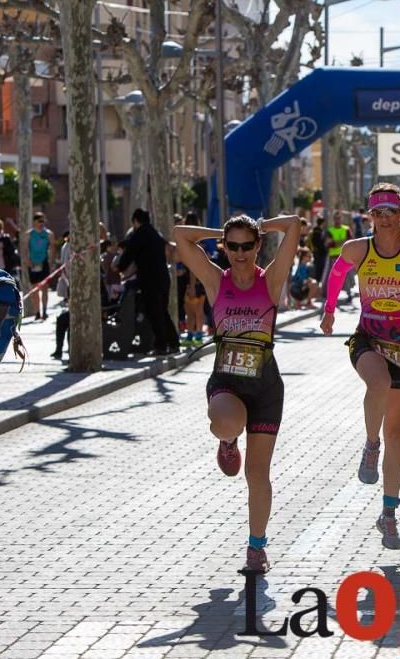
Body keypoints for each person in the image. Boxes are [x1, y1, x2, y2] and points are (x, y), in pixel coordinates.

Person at [319, 183, 400, 550]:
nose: (384, 218)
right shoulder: (358, 249)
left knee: (398, 434)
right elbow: (336, 273)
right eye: (377, 212)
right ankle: (370, 445)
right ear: (370, 216)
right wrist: (329, 310)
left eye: (390, 211)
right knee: (376, 384)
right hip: (368, 339)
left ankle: (388, 514)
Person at [174, 213, 301, 573]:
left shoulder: (271, 280)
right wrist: (222, 229)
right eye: (233, 246)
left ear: (259, 246)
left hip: (265, 386)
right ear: (224, 248)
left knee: (257, 474)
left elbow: (293, 226)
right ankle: (228, 439)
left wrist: (261, 224)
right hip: (227, 382)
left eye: (248, 245)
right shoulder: (216, 280)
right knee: (227, 420)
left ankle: (256, 548)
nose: (241, 253)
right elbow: (180, 235)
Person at [116, 208, 180, 355]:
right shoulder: (156, 233)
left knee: (154, 312)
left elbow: (129, 254)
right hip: (163, 277)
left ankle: (161, 346)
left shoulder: (139, 234)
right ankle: (174, 343)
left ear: (136, 221)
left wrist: (120, 268)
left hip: (150, 280)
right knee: (163, 311)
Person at [25, 212, 54, 321]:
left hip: (44, 263)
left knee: (45, 288)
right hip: (33, 263)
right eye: (39, 221)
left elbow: (52, 248)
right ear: (34, 221)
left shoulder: (49, 234)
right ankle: (37, 312)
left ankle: (45, 311)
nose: (41, 223)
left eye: (43, 221)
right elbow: (25, 249)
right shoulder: (29, 234)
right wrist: (27, 260)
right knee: (35, 289)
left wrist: (51, 263)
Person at [322, 212, 353, 299]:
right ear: (333, 219)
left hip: (345, 257)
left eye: (339, 218)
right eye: (336, 218)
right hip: (333, 257)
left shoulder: (346, 229)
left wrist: (336, 242)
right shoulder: (330, 230)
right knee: (332, 277)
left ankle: (349, 293)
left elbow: (350, 242)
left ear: (341, 219)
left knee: (346, 277)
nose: (337, 220)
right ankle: (329, 294)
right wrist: (343, 241)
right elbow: (329, 244)